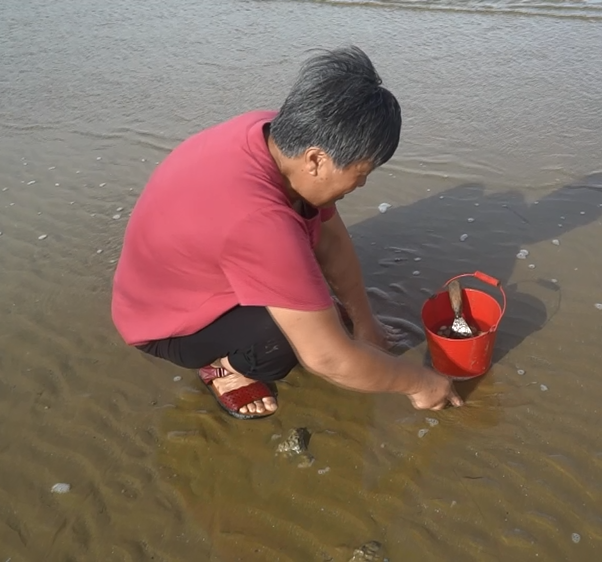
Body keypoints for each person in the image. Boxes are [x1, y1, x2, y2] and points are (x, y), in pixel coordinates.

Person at [110, 46, 463, 419]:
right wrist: (421, 383)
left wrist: (365, 322)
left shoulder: (274, 133)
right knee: (283, 343)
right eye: (361, 173)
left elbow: (331, 238)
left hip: (183, 273)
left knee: (319, 303)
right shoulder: (259, 222)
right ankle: (225, 370)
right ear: (316, 160)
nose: (360, 184)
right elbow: (328, 359)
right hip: (164, 325)